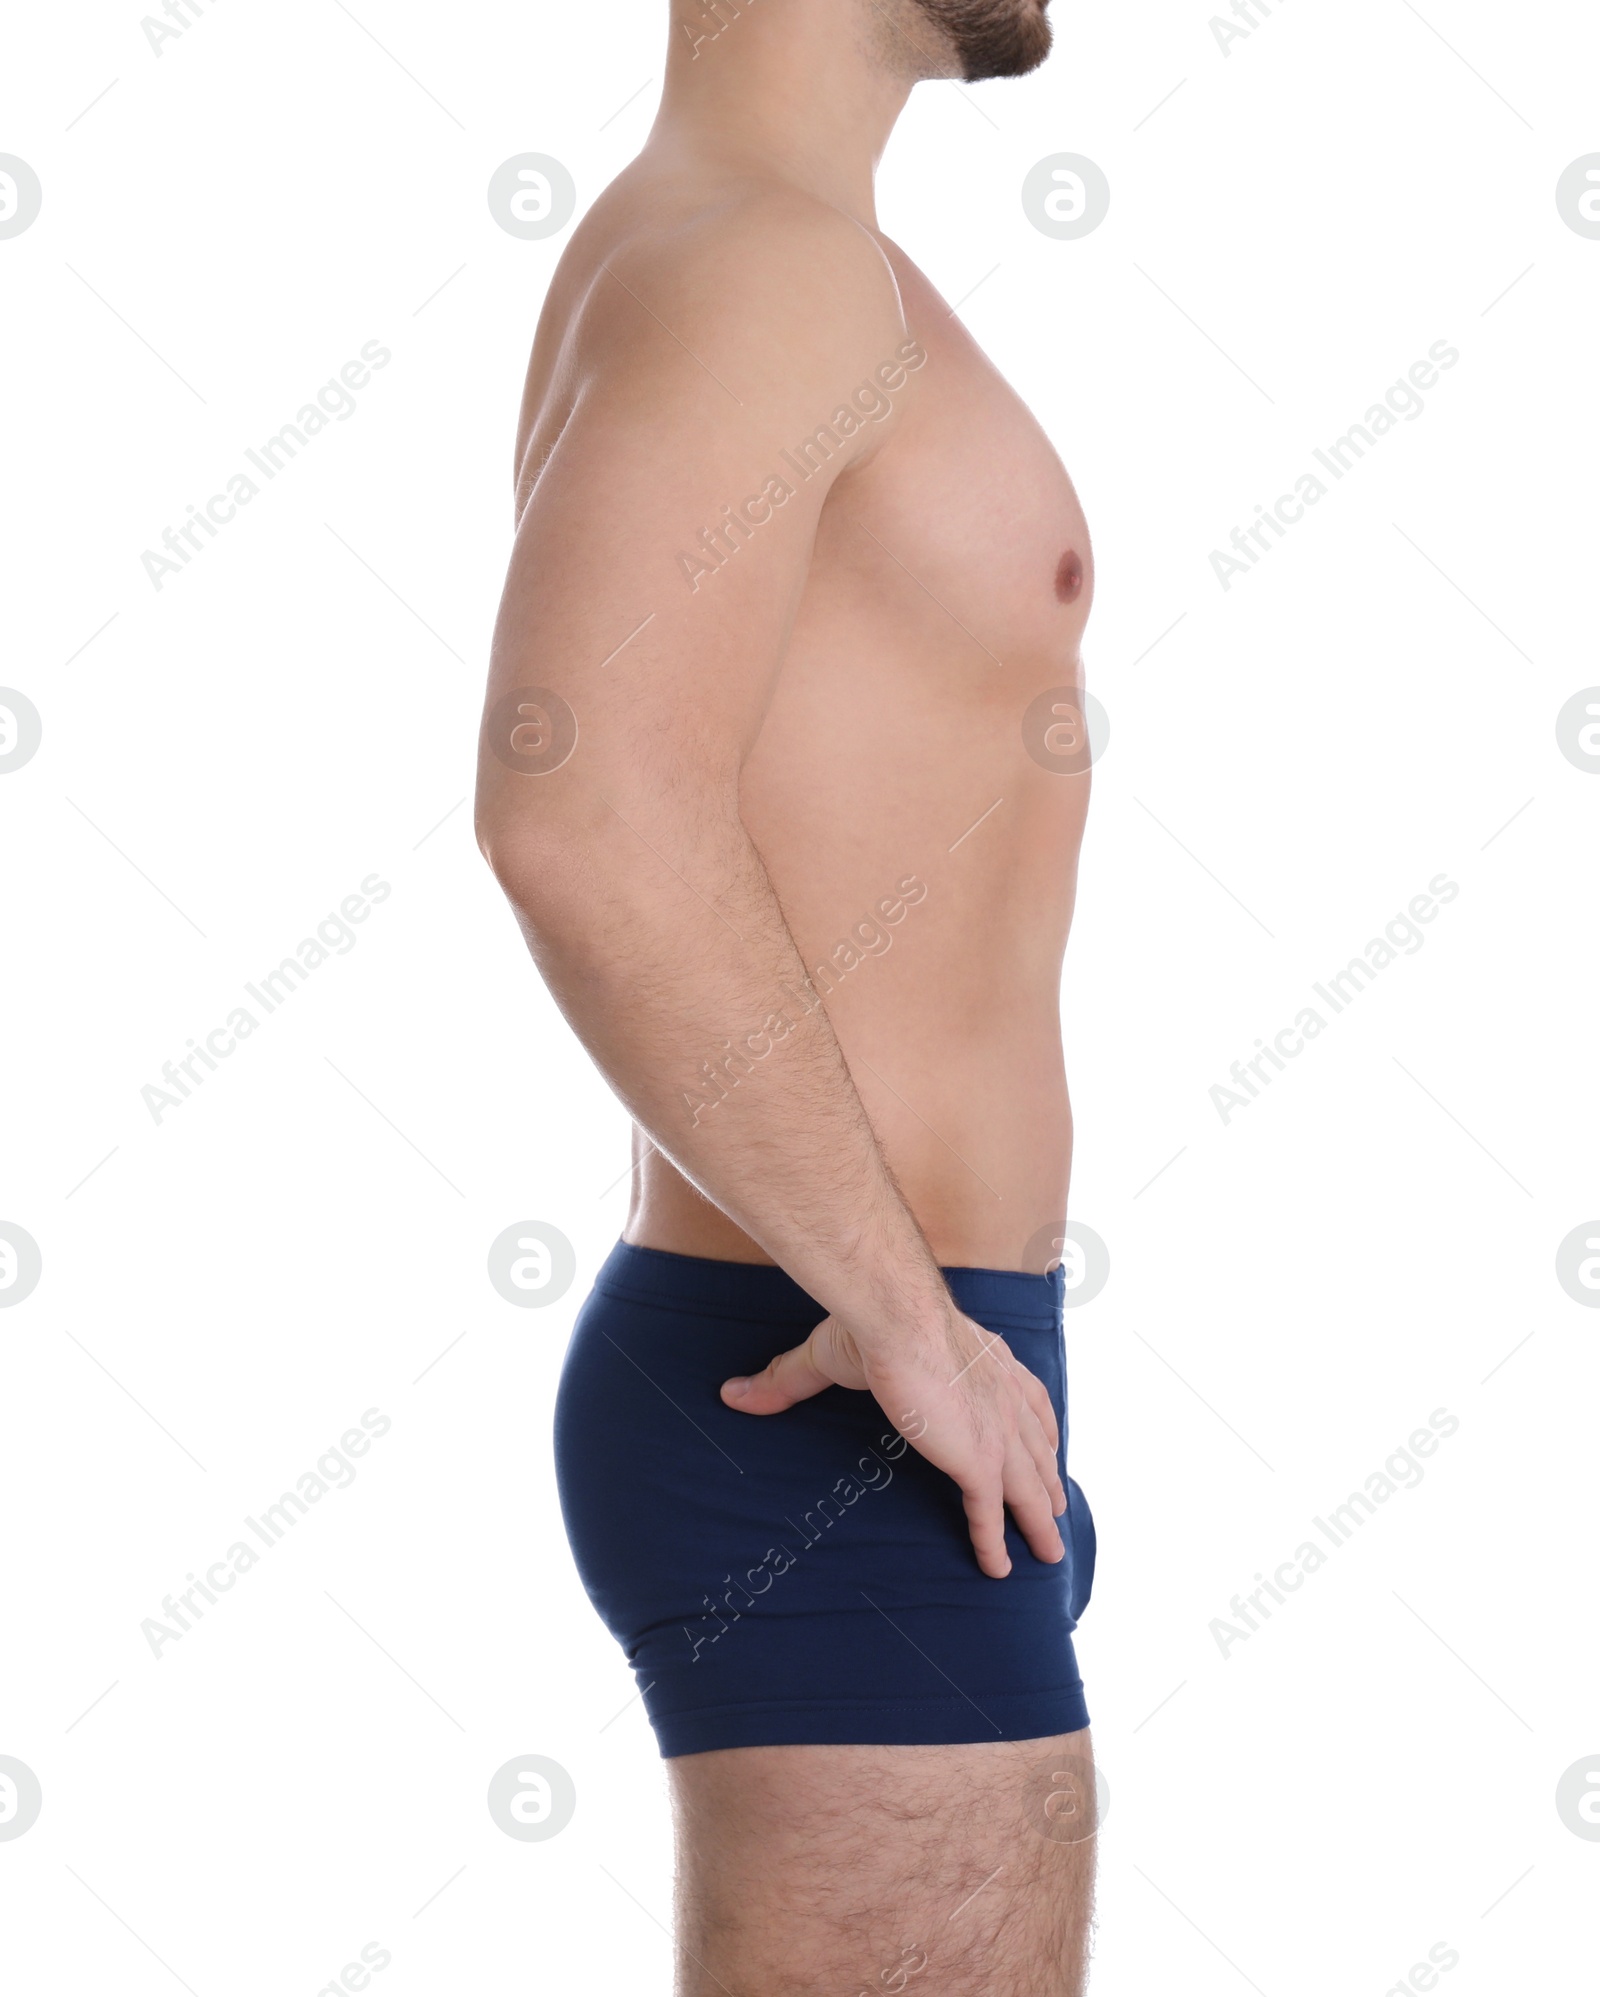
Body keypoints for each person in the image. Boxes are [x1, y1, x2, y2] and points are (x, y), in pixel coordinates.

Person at [475, 0, 1101, 1986]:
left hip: (897, 1372)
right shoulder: (765, 266)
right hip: (830, 1378)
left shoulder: (771, 248)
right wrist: (906, 1316)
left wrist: (936, 1331)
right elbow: (578, 810)